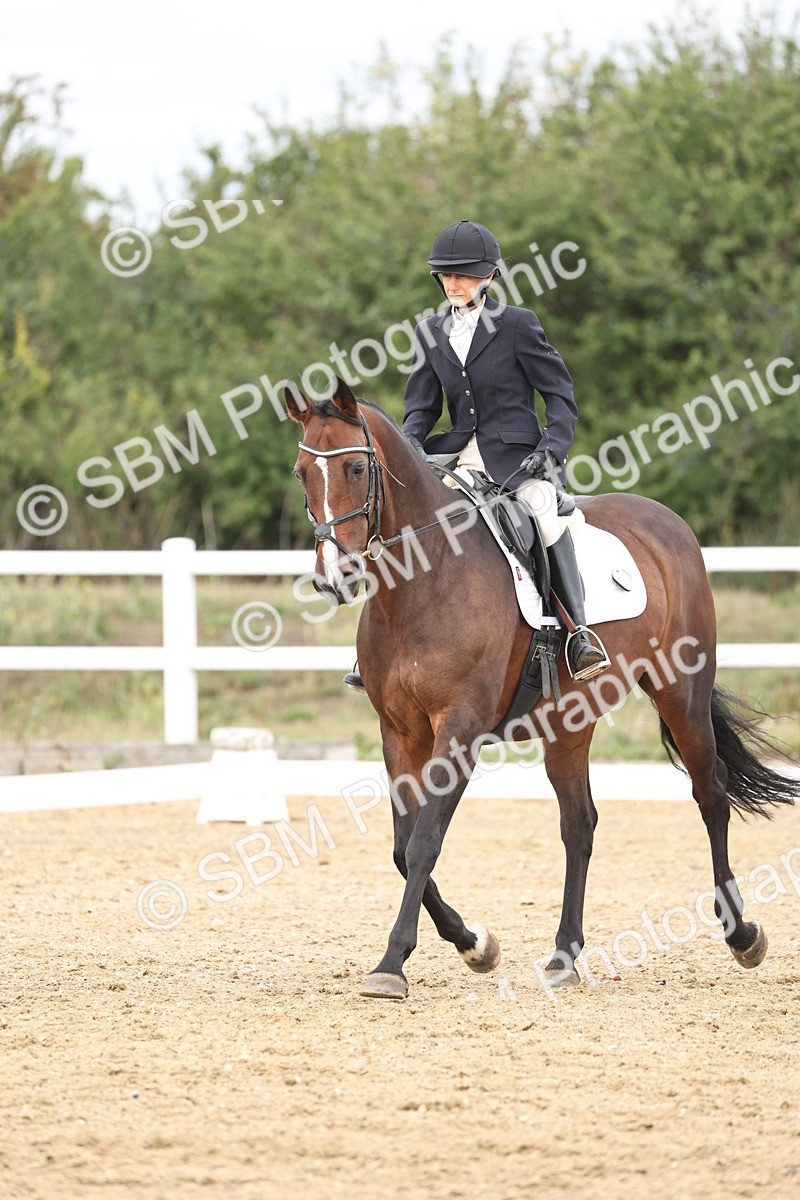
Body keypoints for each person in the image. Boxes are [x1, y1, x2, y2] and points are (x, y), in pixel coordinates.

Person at [344, 219, 609, 691]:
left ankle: (579, 634)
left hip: (517, 458)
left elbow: (561, 397)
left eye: (463, 275)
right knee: (404, 524)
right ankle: (375, 649)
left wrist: (550, 453)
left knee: (546, 517)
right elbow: (420, 410)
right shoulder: (429, 331)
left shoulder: (518, 325)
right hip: (458, 458)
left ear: (488, 276)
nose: (453, 284)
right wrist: (409, 453)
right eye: (446, 276)